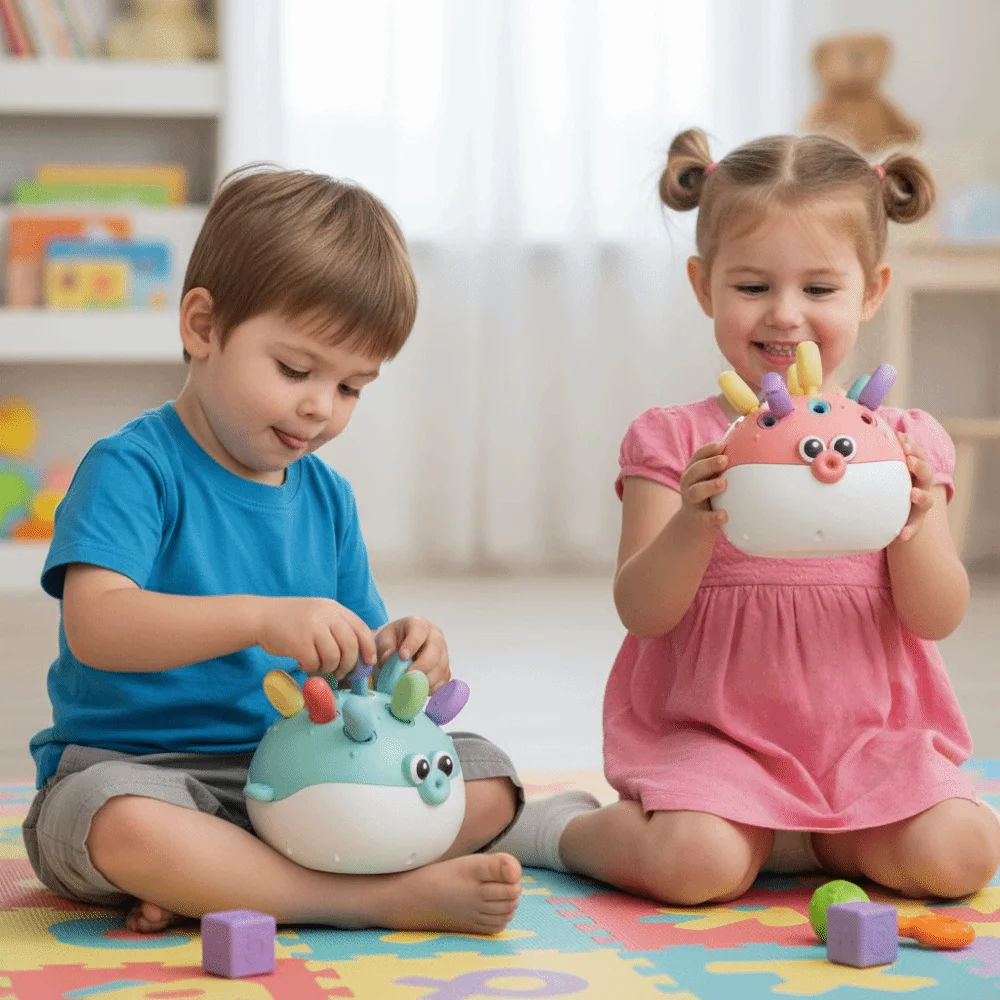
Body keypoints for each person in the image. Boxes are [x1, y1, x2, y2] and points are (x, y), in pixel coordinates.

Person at [489, 128, 1000, 904]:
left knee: (965, 853)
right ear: (704, 287)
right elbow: (643, 611)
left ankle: (822, 835)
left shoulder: (905, 443)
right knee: (695, 866)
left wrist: (918, 520)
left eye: (820, 289)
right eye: (753, 287)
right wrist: (696, 520)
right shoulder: (675, 439)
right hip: (719, 743)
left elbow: (937, 616)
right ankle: (561, 830)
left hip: (869, 744)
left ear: (871, 289)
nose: (785, 316)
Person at [23, 166, 523, 935]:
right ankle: (361, 899)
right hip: (140, 776)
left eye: (353, 386)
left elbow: (358, 670)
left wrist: (404, 658)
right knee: (115, 823)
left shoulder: (327, 498)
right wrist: (259, 619)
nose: (320, 407)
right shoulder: (131, 467)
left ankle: (229, 883)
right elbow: (99, 626)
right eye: (295, 370)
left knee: (486, 775)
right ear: (202, 327)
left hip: (295, 782)